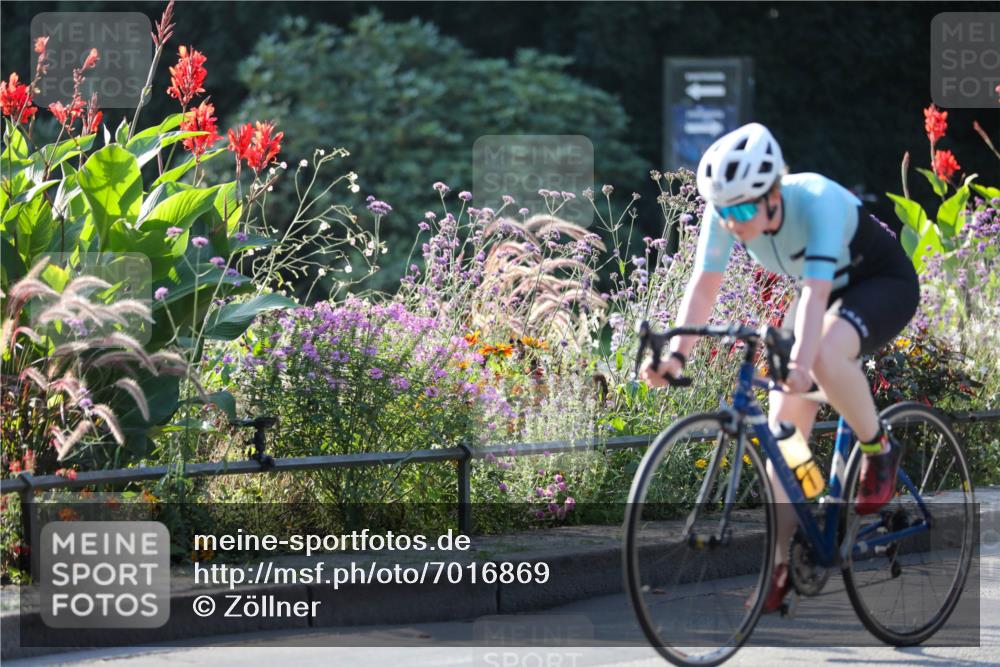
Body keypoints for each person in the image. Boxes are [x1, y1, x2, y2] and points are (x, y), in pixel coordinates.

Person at [640, 122, 920, 613]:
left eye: (745, 210)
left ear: (774, 193)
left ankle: (880, 448)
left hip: (879, 283)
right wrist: (676, 355)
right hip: (822, 290)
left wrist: (802, 363)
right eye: (725, 213)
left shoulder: (815, 201)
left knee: (826, 355)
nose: (735, 223)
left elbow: (814, 297)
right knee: (784, 433)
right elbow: (704, 287)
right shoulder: (727, 211)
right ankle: (780, 565)